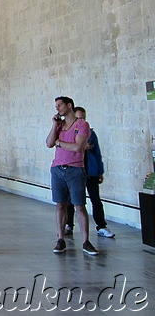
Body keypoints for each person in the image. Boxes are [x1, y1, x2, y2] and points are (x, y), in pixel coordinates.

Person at [47, 96, 99, 255]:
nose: (58, 108)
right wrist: (54, 125)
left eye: (60, 105)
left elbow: (78, 147)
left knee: (79, 205)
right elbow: (49, 143)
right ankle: (61, 239)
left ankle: (85, 241)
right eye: (56, 106)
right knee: (60, 204)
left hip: (75, 169)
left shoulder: (82, 124)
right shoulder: (60, 125)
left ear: (69, 106)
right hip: (57, 168)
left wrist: (60, 143)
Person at [65, 107, 115, 238]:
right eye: (79, 118)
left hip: (90, 171)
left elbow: (97, 153)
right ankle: (68, 224)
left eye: (84, 118)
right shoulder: (69, 132)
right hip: (76, 171)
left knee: (95, 200)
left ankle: (101, 226)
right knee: (71, 200)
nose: (82, 120)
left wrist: (100, 171)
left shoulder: (91, 134)